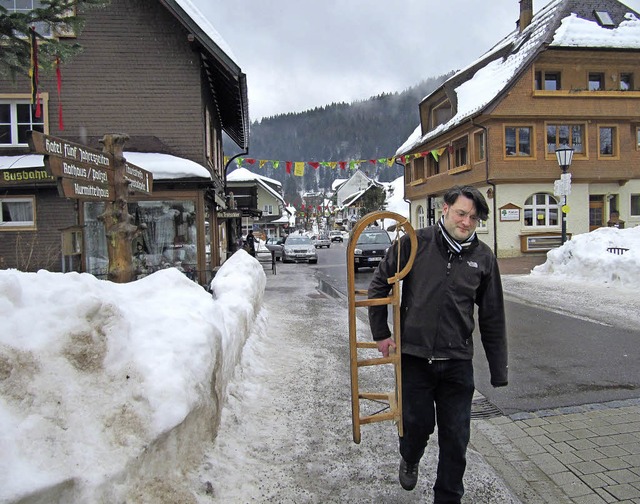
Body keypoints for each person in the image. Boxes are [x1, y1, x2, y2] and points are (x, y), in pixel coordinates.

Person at [367, 185, 508, 502]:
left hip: (457, 361)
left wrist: (499, 370)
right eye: (461, 213)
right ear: (445, 209)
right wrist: (381, 333)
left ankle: (448, 497)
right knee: (417, 425)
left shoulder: (483, 258)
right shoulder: (416, 243)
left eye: (473, 218)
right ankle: (410, 455)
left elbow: (493, 316)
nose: (466, 222)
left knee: (457, 438)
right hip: (415, 358)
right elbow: (380, 283)